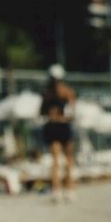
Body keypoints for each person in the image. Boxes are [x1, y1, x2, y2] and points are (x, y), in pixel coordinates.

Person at [40, 63, 76, 203]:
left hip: (54, 126)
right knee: (67, 160)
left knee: (58, 161)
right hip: (62, 126)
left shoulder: (46, 94)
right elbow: (72, 112)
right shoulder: (68, 92)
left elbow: (41, 112)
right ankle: (67, 190)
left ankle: (59, 190)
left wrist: (53, 115)